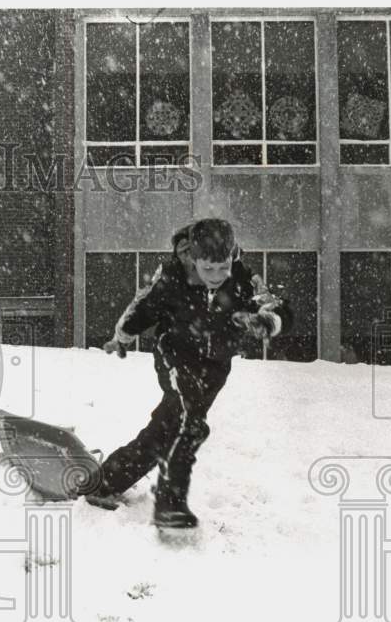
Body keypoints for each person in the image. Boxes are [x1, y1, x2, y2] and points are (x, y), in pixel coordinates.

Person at [90, 218, 293, 529]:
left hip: (215, 366)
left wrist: (266, 321)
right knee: (190, 423)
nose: (215, 277)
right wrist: (122, 336)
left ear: (232, 257)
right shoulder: (172, 277)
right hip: (175, 356)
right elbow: (144, 307)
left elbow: (277, 307)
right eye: (207, 269)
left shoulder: (241, 277)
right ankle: (170, 504)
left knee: (166, 429)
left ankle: (105, 482)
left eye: (222, 268)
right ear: (193, 258)